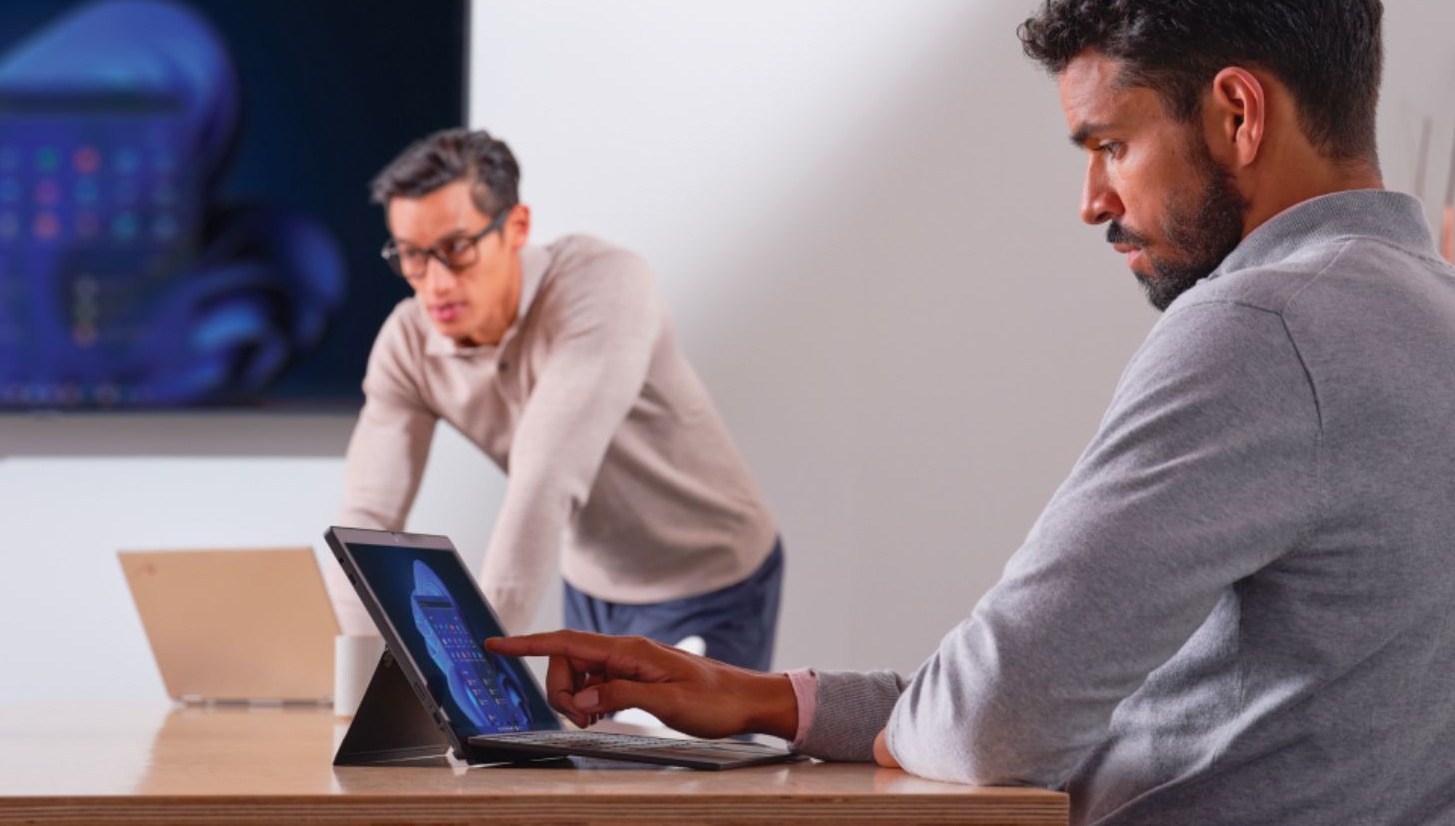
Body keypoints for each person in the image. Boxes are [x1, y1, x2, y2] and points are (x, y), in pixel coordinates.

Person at [489, 1, 1455, 823]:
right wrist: (769, 701)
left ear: (1238, 114)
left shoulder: (1258, 323)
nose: (1091, 200)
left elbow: (993, 720)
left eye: (1111, 144)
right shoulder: (1429, 308)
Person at [327, 128, 784, 673]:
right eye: (412, 256)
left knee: (667, 760)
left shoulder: (604, 287)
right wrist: (363, 669)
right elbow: (368, 517)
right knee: (589, 757)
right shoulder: (407, 342)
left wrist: (475, 674)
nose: (435, 284)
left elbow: (543, 484)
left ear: (516, 227)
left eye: (455, 249)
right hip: (591, 583)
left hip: (709, 578)